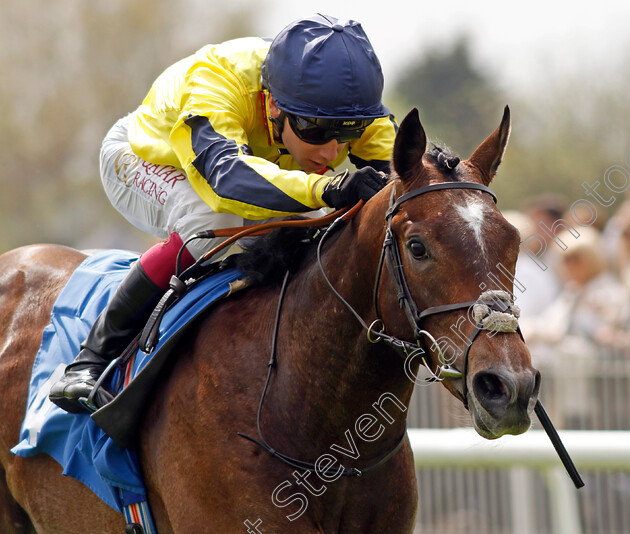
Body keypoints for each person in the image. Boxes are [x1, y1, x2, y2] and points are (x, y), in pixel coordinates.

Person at [50, 14, 395, 413]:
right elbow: (227, 184)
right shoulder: (216, 81)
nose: (332, 152)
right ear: (273, 105)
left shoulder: (336, 102)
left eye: (349, 133)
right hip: (144, 155)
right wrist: (327, 187)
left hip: (234, 164)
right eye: (316, 132)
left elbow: (400, 171)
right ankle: (89, 360)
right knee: (215, 220)